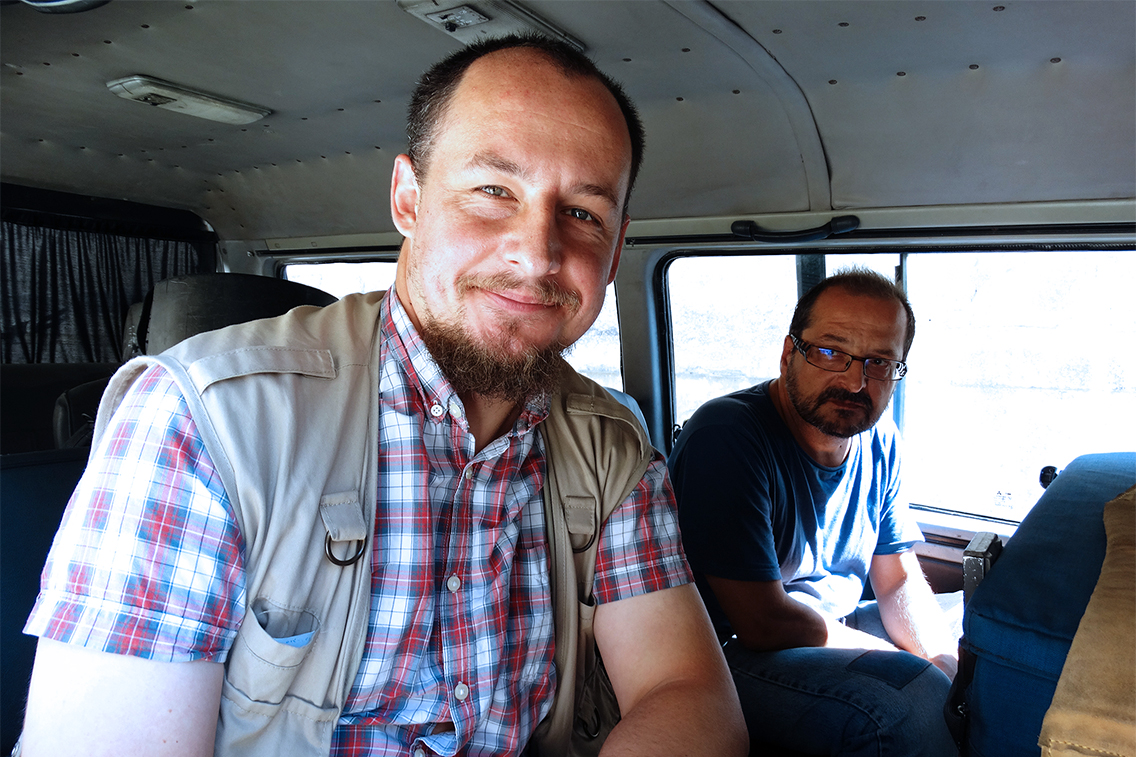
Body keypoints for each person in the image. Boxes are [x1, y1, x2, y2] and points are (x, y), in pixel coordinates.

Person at [19, 35, 747, 757]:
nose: (536, 254)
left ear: (615, 252)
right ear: (408, 198)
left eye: (583, 213)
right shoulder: (203, 422)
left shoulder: (610, 448)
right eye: (494, 191)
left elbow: (688, 691)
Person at [668, 268, 960, 757]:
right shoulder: (726, 436)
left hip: (832, 623)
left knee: (979, 638)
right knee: (908, 700)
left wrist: (942, 661)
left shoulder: (880, 438)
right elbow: (763, 622)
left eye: (879, 363)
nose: (854, 381)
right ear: (789, 354)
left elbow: (896, 579)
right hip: (728, 652)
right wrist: (908, 667)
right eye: (830, 352)